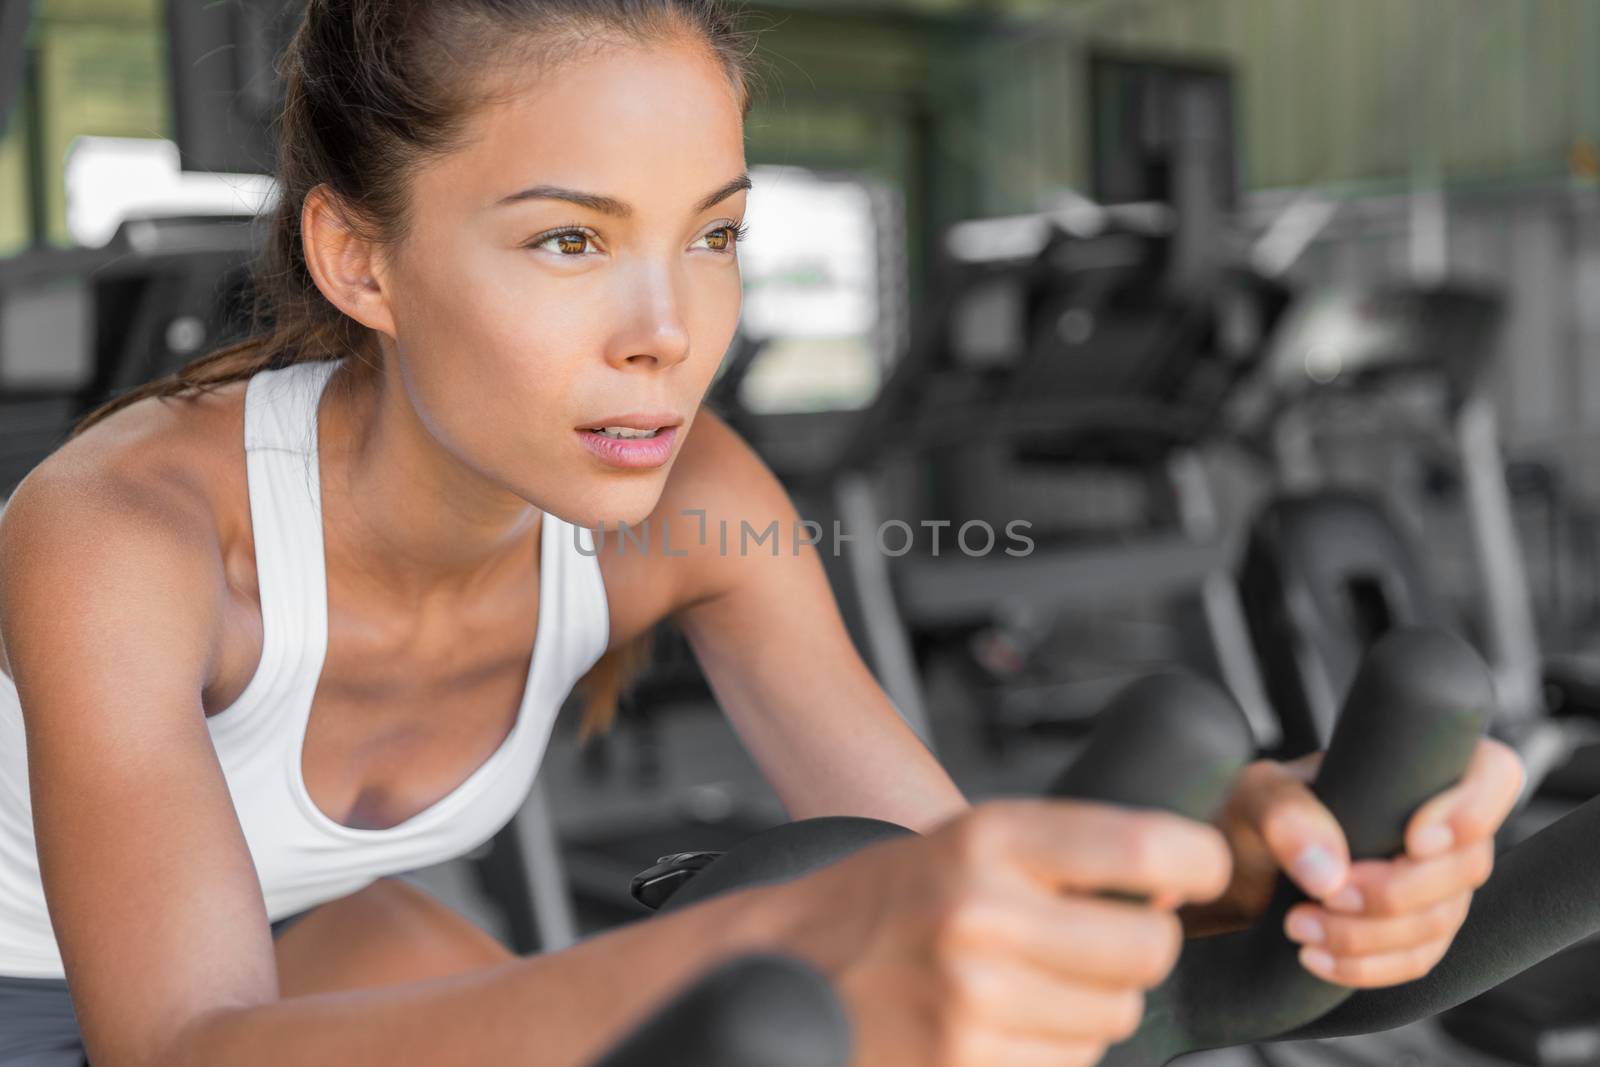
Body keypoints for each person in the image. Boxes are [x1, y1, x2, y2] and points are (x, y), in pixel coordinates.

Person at [0, 1, 1525, 1065]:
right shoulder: (119, 534)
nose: (671, 333)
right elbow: (189, 1047)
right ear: (361, 258)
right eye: (569, 240)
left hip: (315, 951)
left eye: (716, 235)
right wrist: (802, 935)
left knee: (434, 956)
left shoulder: (699, 497)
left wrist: (1229, 865)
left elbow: (930, 865)